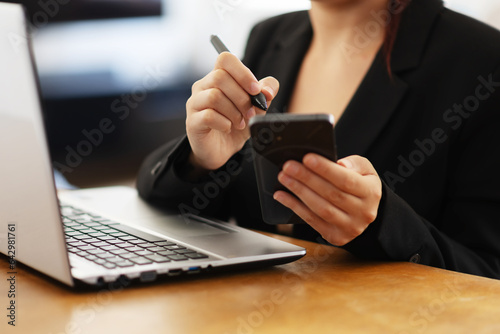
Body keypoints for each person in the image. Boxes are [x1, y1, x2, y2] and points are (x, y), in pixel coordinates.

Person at [137, 0, 500, 279]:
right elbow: (165, 206)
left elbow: (488, 272)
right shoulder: (270, 36)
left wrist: (384, 225)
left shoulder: (481, 59)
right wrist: (202, 163)